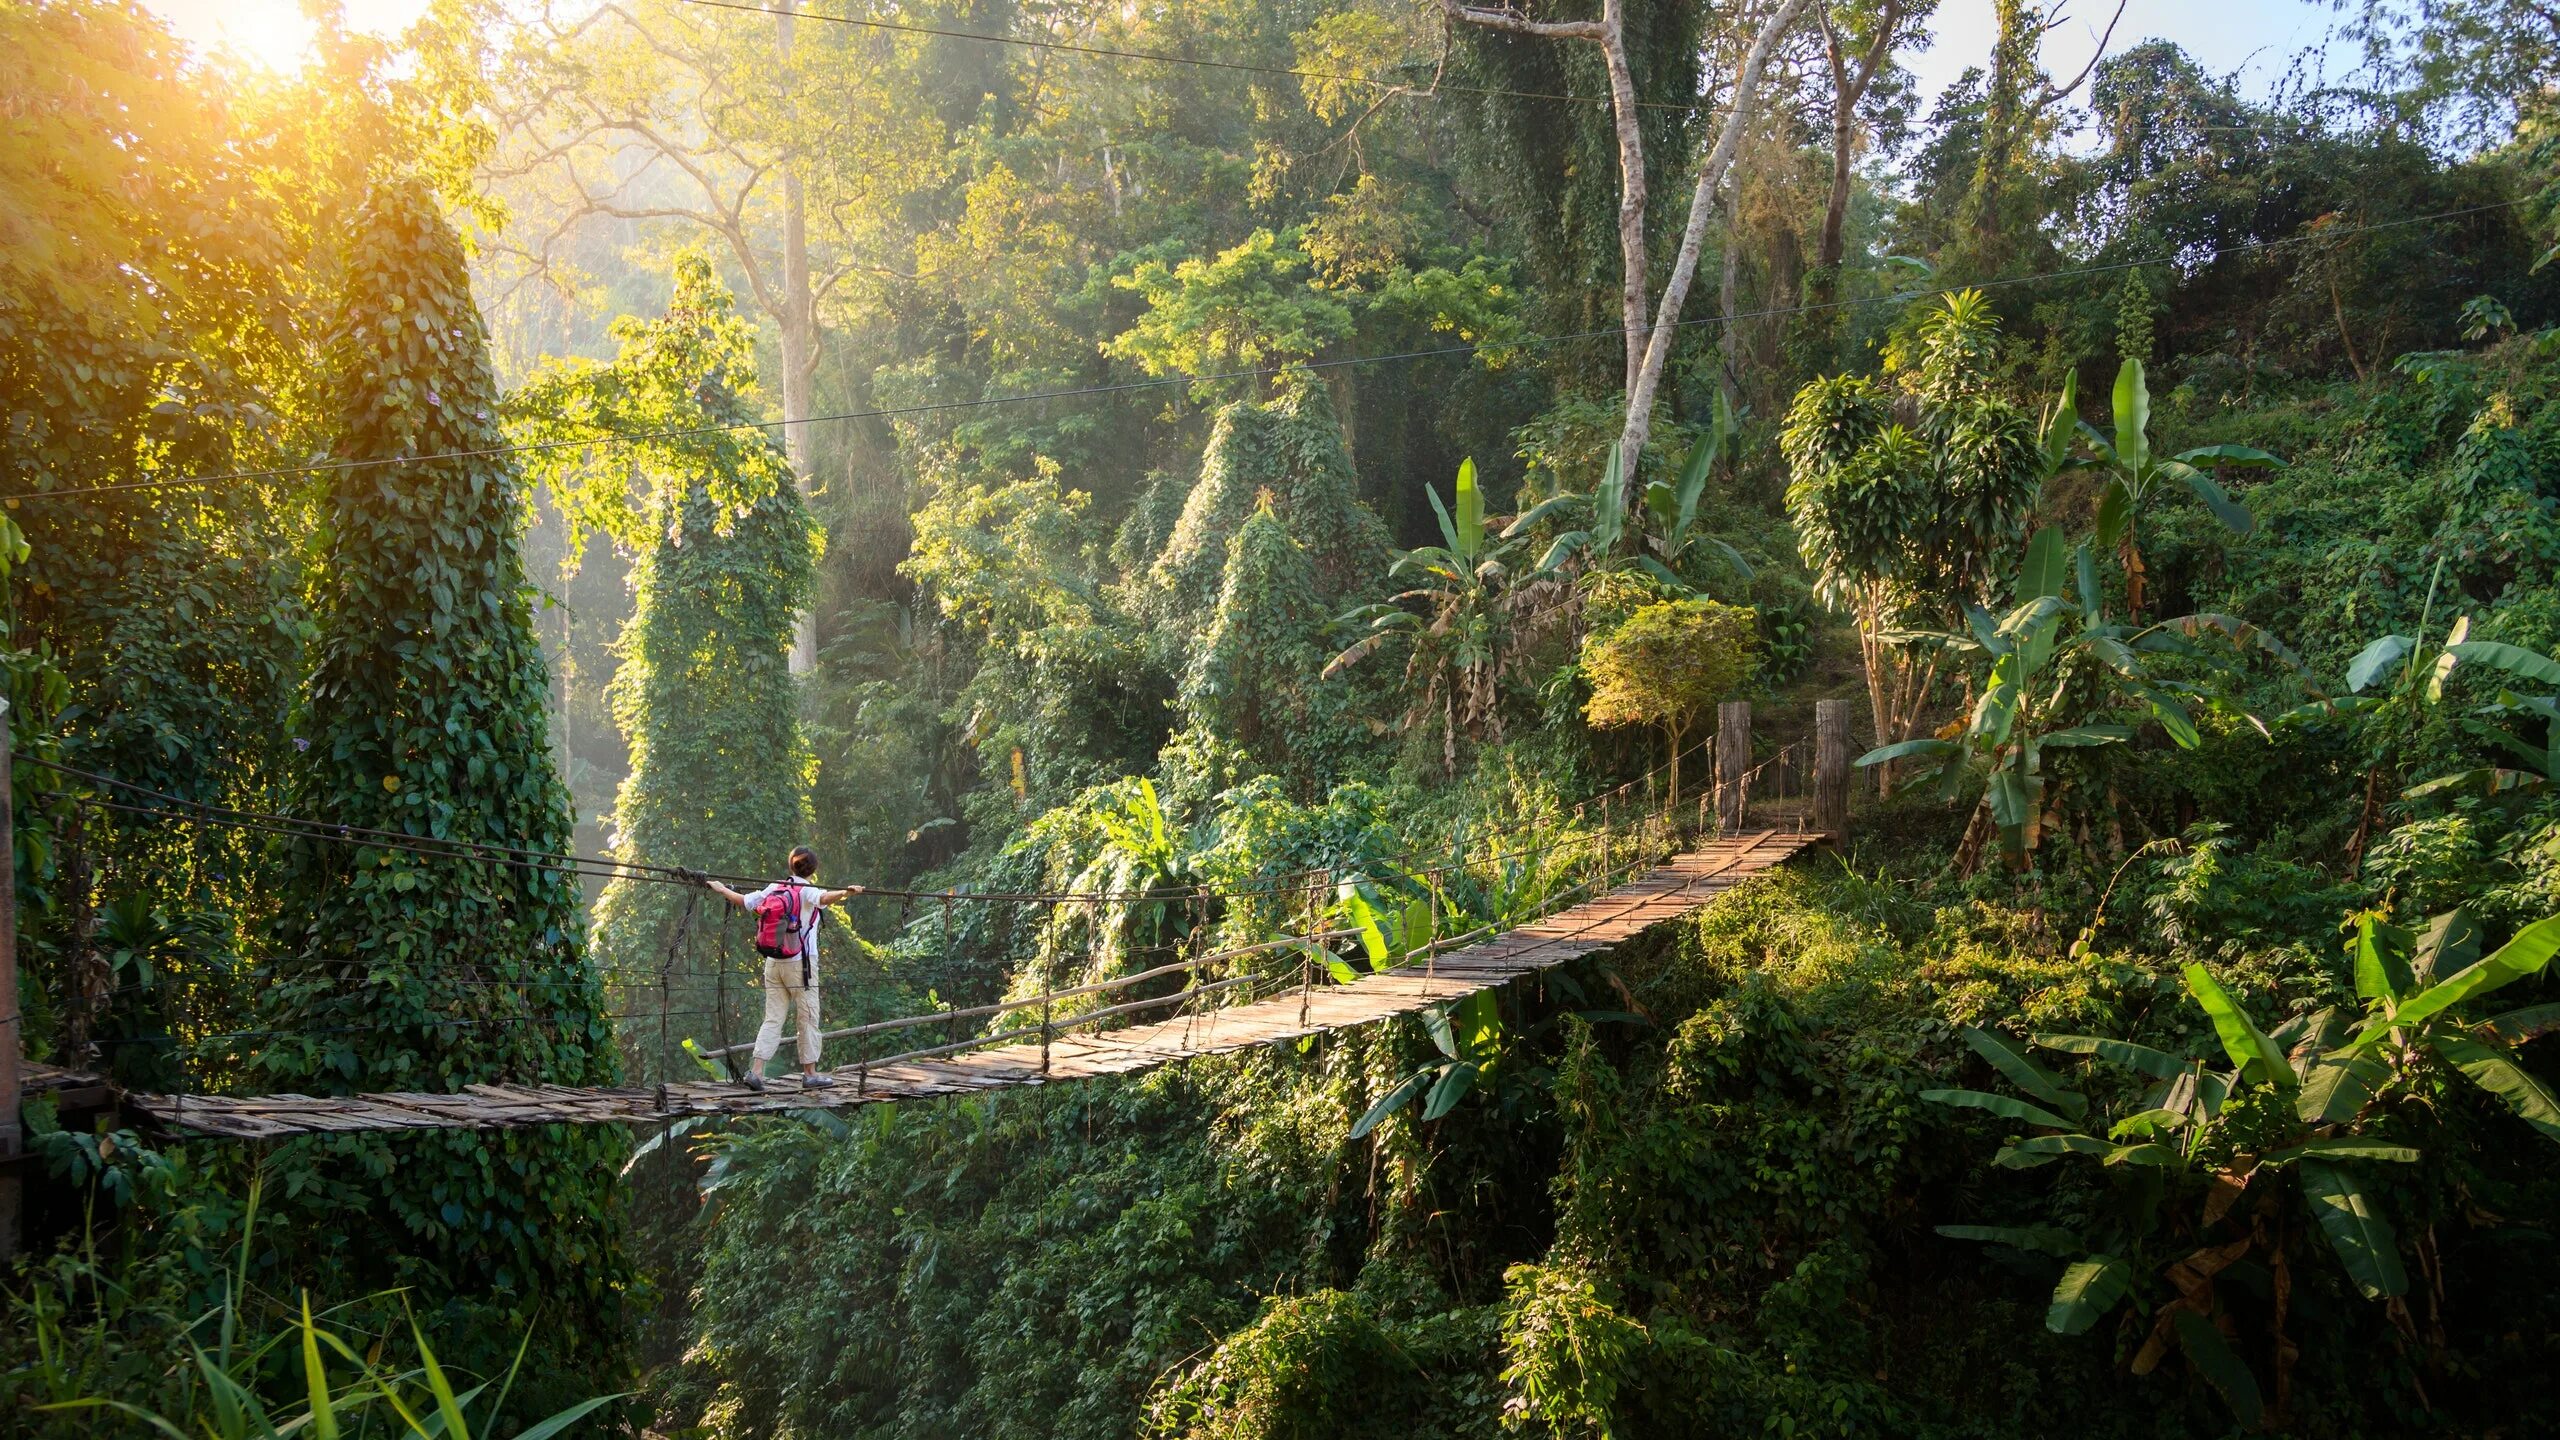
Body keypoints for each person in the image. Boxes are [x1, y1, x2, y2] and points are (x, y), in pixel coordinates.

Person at [702, 847, 862, 1091]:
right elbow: (825, 899)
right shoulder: (808, 890)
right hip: (801, 964)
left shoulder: (775, 887)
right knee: (807, 1016)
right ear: (814, 869)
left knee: (773, 1018)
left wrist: (721, 888)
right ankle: (810, 1074)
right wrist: (847, 893)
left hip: (774, 961)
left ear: (791, 866)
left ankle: (756, 1072)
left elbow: (744, 902)